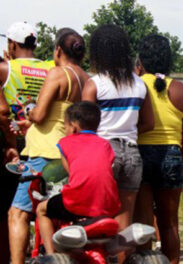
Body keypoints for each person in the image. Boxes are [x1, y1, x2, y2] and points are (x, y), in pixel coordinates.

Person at [81, 24, 154, 263]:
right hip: (132, 153)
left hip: (102, 153)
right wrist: (128, 130)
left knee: (98, 217)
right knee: (125, 220)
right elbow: (149, 123)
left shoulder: (95, 84)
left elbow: (85, 128)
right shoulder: (139, 84)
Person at [134, 34, 183, 264]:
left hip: (140, 153)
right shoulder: (181, 90)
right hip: (172, 155)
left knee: (142, 222)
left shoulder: (136, 84)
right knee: (169, 223)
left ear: (141, 61)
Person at [0, 21, 55, 264]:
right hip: (44, 144)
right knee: (42, 206)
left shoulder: (6, 68)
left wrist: (10, 143)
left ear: (12, 44)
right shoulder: (50, 68)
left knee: (15, 209)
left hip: (16, 146)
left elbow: (3, 112)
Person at [36, 101, 121, 254]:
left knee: (41, 210)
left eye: (65, 126)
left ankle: (51, 256)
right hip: (108, 203)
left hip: (77, 202)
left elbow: (71, 173)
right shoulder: (105, 144)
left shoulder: (65, 143)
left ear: (73, 126)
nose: (65, 130)